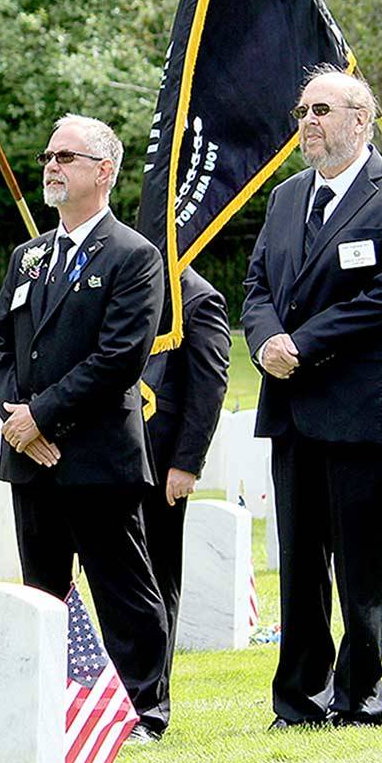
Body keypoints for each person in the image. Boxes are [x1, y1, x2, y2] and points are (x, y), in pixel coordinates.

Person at [242, 67, 382, 731]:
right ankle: (298, 702)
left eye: (320, 110)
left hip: (360, 406)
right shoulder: (288, 197)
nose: (308, 123)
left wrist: (300, 344)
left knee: (361, 568)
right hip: (292, 405)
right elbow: (257, 285)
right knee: (298, 565)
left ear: (360, 119)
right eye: (301, 112)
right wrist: (267, 341)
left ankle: (358, 700)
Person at [0, 113, 169, 743]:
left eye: (66, 156)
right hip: (29, 455)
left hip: (94, 454)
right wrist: (17, 419)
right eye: (47, 157)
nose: (52, 167)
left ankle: (143, 711)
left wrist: (42, 414)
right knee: (42, 589)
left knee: (122, 591)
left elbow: (119, 357)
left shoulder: (133, 256)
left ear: (104, 171)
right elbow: (0, 343)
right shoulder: (29, 255)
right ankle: (50, 704)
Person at [139, 266, 231, 727]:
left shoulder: (200, 299)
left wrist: (187, 463)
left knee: (156, 579)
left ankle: (153, 691)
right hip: (113, 458)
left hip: (162, 464)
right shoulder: (132, 281)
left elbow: (209, 386)